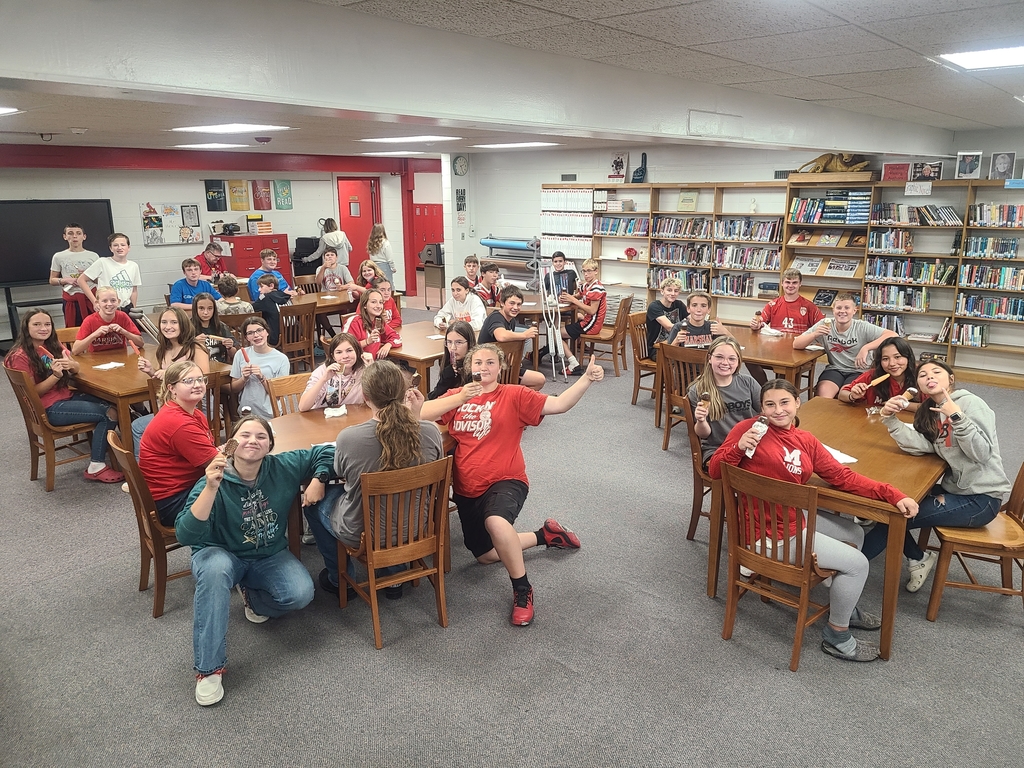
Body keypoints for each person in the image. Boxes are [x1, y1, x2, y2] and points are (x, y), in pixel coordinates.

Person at [709, 379, 919, 662]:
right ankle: (837, 635)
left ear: (797, 402)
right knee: (858, 565)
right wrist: (736, 448)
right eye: (770, 404)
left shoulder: (805, 440)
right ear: (761, 408)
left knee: (855, 531)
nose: (777, 410)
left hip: (790, 517)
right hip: (768, 536)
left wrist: (892, 494)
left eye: (784, 402)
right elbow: (715, 472)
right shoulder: (749, 430)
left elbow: (842, 477)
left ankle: (842, 604)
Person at [420, 344, 604, 627]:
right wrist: (459, 397)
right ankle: (547, 535)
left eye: (490, 362)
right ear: (470, 367)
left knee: (496, 523)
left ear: (501, 366)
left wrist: (586, 379)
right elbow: (420, 412)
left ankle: (522, 590)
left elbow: (559, 404)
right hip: (468, 489)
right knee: (485, 555)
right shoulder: (457, 396)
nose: (484, 368)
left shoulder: (514, 394)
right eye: (478, 362)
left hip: (507, 480)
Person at [177, 416, 331, 706]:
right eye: (245, 435)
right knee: (214, 571)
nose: (253, 441)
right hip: (220, 552)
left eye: (261, 436)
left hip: (267, 554)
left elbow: (327, 451)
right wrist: (210, 489)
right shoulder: (214, 478)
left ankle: (251, 595)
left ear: (270, 445)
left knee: (301, 593)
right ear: (231, 444)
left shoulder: (283, 465)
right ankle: (209, 669)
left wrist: (318, 479)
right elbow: (185, 534)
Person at [862, 360, 1011, 593]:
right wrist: (890, 419)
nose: (928, 376)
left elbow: (982, 453)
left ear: (950, 379)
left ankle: (848, 568)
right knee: (895, 501)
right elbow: (923, 445)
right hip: (957, 490)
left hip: (980, 499)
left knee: (897, 515)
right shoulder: (930, 410)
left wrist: (958, 418)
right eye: (922, 374)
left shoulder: (970, 403)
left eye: (936, 372)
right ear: (918, 385)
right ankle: (917, 557)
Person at [304, 360, 444, 596]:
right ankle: (394, 576)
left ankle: (339, 580)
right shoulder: (430, 431)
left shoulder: (349, 438)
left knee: (314, 506)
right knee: (397, 497)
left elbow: (342, 474)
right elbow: (428, 457)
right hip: (416, 527)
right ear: (404, 393)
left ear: (366, 396)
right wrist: (417, 416)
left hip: (363, 532)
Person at [5, 309, 123, 483]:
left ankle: (111, 448)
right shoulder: (20, 356)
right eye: (36, 324)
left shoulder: (51, 344)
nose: (43, 328)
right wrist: (56, 376)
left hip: (64, 396)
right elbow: (33, 393)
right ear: (26, 327)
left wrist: (72, 365)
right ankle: (96, 466)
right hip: (48, 408)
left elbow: (75, 367)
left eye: (47, 324)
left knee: (114, 402)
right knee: (109, 413)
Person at [139, 360, 218, 526]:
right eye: (188, 381)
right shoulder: (180, 424)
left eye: (200, 379)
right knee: (242, 490)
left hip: (177, 489)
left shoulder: (193, 413)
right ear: (171, 388)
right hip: (172, 502)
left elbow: (209, 453)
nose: (197, 385)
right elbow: (216, 464)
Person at [134, 307, 211, 451]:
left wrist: (169, 372)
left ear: (183, 324)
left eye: (174, 322)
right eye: (164, 322)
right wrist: (152, 371)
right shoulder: (164, 349)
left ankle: (145, 472)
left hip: (196, 406)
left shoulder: (195, 347)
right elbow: (167, 382)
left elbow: (204, 377)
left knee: (137, 427)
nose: (168, 326)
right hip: (171, 405)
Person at [793, 292, 896, 398]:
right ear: (833, 310)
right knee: (823, 394)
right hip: (835, 368)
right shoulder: (825, 324)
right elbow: (796, 344)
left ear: (854, 311)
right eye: (838, 308)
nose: (842, 311)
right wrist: (814, 334)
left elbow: (893, 335)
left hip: (859, 370)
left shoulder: (862, 326)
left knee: (847, 394)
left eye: (847, 308)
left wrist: (866, 347)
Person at [687, 337, 761, 467]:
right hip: (717, 448)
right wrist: (701, 420)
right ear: (710, 358)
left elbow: (765, 411)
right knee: (747, 472)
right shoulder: (697, 390)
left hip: (748, 444)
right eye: (719, 357)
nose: (725, 362)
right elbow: (703, 434)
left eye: (732, 359)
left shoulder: (747, 382)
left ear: (738, 362)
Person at [747, 268, 824, 384]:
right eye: (787, 282)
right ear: (782, 283)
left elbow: (821, 325)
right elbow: (761, 322)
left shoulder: (809, 306)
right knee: (749, 359)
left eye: (794, 282)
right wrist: (755, 325)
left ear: (800, 284)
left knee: (785, 369)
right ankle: (765, 387)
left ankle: (782, 391)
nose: (790, 285)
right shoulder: (773, 304)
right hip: (775, 348)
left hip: (798, 350)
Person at [547, 258, 608, 376]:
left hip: (592, 325)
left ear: (596, 271)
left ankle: (573, 363)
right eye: (584, 271)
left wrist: (573, 300)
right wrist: (568, 297)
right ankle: (563, 355)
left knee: (556, 334)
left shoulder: (597, 288)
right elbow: (579, 295)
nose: (586, 274)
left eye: (589, 271)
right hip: (588, 321)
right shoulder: (586, 286)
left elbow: (592, 310)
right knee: (560, 331)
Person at [477, 285, 545, 390]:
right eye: (512, 303)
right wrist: (524, 335)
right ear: (503, 303)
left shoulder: (511, 321)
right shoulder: (496, 317)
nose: (515, 308)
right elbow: (501, 336)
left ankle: (515, 401)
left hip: (503, 367)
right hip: (487, 369)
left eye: (519, 304)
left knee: (539, 379)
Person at [229, 317, 291, 419]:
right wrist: (244, 379)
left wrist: (261, 377)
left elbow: (279, 394)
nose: (256, 335)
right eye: (250, 333)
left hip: (271, 415)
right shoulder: (240, 354)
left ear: (267, 332)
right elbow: (234, 388)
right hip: (246, 413)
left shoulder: (281, 359)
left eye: (259, 330)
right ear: (247, 337)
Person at [838, 336, 919, 411]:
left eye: (897, 357)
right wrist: (852, 396)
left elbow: (930, 406)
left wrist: (900, 404)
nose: (892, 363)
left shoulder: (920, 376)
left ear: (908, 357)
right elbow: (842, 394)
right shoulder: (872, 376)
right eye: (885, 359)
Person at [298, 332, 371, 411]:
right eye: (339, 352)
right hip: (323, 419)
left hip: (352, 419)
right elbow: (302, 407)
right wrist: (323, 379)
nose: (345, 356)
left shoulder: (364, 370)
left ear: (357, 352)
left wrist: (372, 370)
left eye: (349, 350)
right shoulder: (323, 371)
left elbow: (379, 403)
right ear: (333, 356)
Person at [49, 222, 100, 327]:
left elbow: (101, 280)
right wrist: (65, 280)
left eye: (78, 233)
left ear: (84, 236)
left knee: (96, 328)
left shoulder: (93, 256)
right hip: (71, 299)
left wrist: (88, 276)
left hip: (91, 298)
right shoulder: (58, 256)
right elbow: (52, 280)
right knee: (74, 330)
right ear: (65, 237)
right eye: (70, 233)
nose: (75, 236)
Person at [77, 232, 142, 313]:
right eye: (115, 245)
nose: (119, 248)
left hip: (126, 308)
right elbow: (81, 280)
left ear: (128, 248)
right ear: (111, 248)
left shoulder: (133, 266)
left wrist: (134, 307)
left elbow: (134, 290)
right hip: (107, 308)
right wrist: (94, 301)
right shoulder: (102, 262)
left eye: (123, 245)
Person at [71, 285, 145, 355]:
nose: (109, 304)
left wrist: (124, 331)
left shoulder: (123, 316)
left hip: (121, 358)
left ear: (118, 302)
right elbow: (75, 350)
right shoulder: (89, 320)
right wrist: (95, 334)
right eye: (104, 301)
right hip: (95, 360)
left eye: (113, 300)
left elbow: (141, 343)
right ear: (97, 303)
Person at [347, 288, 401, 360]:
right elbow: (345, 347)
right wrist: (367, 341)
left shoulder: (379, 322)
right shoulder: (354, 322)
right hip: (355, 366)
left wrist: (389, 344)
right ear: (364, 305)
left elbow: (397, 337)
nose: (378, 306)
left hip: (373, 365)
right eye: (373, 302)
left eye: (381, 302)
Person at [428, 321, 474, 400]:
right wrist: (446, 378)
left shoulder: (476, 367)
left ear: (469, 343)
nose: (453, 348)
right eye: (449, 342)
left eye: (458, 342)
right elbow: (434, 397)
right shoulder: (449, 365)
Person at [667, 290, 732, 348]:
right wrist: (676, 341)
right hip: (685, 361)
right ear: (688, 309)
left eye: (703, 306)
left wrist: (725, 332)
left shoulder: (714, 327)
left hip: (706, 361)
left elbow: (737, 348)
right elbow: (667, 354)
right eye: (694, 305)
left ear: (708, 310)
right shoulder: (679, 327)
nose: (698, 310)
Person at [645, 276, 687, 361]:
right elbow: (669, 327)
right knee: (685, 360)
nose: (673, 293)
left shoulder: (679, 304)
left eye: (676, 291)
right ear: (662, 291)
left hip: (677, 345)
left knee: (698, 354)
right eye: (669, 290)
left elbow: (693, 319)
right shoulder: (654, 306)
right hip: (658, 349)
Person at [191, 292, 236, 364]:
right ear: (195, 309)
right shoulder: (189, 327)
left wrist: (229, 347)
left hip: (221, 366)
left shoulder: (221, 326)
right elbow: (181, 355)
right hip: (198, 368)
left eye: (210, 308)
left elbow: (234, 355)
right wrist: (194, 343)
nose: (206, 312)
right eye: (201, 308)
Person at [251, 273, 291, 346]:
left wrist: (260, 298)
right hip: (292, 334)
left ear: (271, 286)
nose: (259, 290)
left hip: (275, 337)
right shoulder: (285, 295)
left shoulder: (265, 298)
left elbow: (251, 308)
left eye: (261, 286)